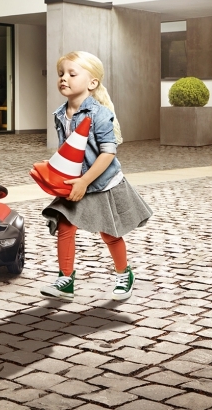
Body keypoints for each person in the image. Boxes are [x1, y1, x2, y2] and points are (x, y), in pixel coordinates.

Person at [40, 51, 153, 300]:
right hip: (74, 182)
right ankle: (65, 280)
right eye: (61, 74)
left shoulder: (99, 114)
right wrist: (56, 168)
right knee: (65, 226)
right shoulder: (60, 114)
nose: (64, 78)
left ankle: (124, 274)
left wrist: (84, 181)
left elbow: (108, 154)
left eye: (72, 74)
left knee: (109, 232)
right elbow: (68, 149)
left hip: (101, 183)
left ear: (92, 83)